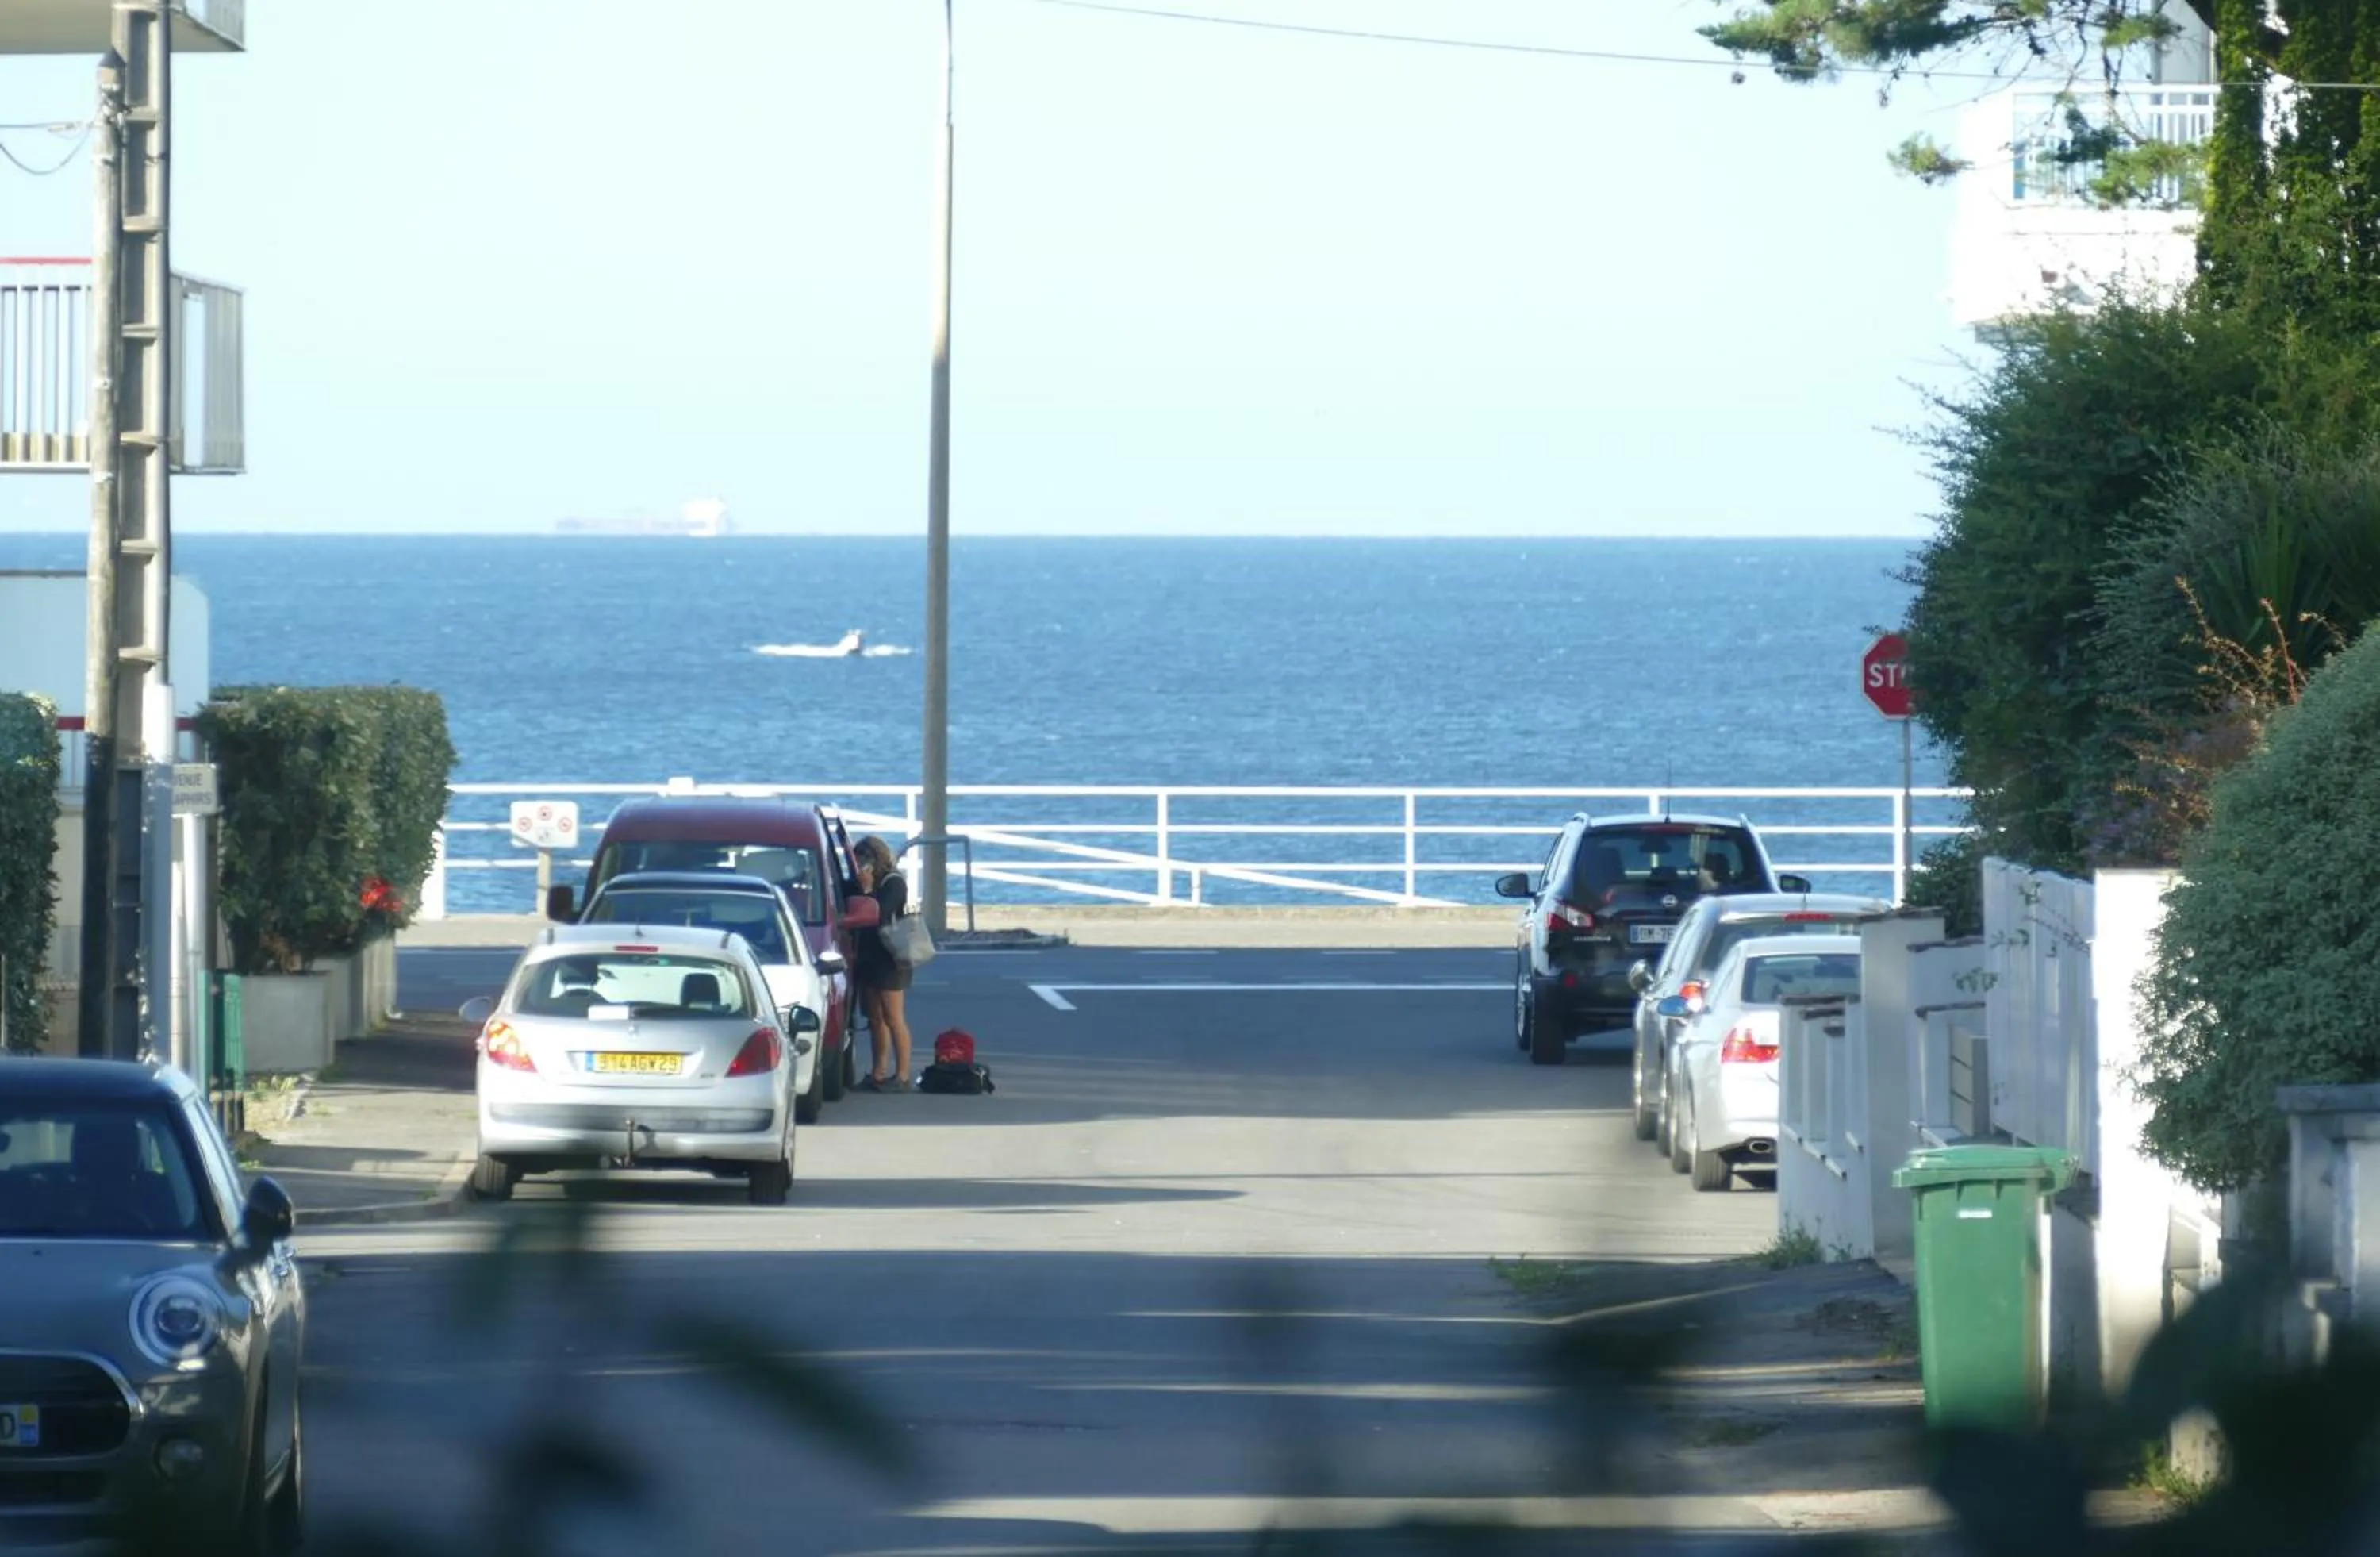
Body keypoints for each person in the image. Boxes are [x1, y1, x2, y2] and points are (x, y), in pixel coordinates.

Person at [851, 835, 916, 1090]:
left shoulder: (894, 882)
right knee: (875, 1019)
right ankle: (878, 1072)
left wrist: (868, 891)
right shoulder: (863, 883)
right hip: (869, 957)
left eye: (862, 861)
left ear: (873, 860)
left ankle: (902, 1076)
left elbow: (879, 915)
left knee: (894, 1018)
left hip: (890, 958)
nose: (859, 867)